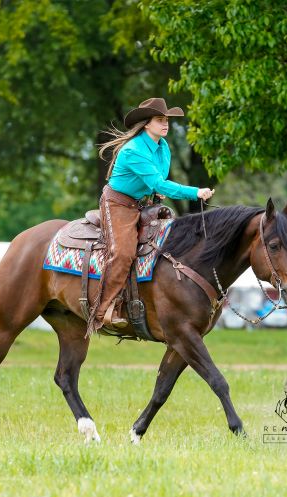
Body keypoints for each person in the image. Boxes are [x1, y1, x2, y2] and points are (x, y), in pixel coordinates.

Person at [87, 97, 214, 335]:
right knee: (123, 253)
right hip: (118, 205)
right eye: (159, 120)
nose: (165, 124)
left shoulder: (163, 147)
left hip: (142, 203)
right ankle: (102, 310)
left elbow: (155, 183)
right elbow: (159, 182)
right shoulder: (133, 150)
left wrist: (155, 192)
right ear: (146, 124)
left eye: (166, 120)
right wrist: (195, 192)